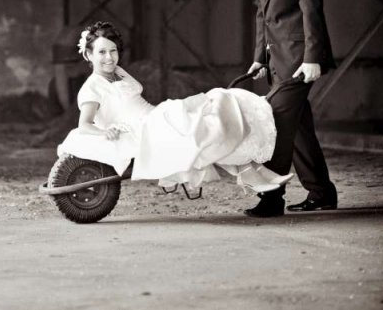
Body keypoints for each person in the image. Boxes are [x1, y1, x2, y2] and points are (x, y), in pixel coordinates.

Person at [57, 21, 294, 195]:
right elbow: (84, 125)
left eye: (113, 50)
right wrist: (104, 131)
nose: (109, 58)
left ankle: (252, 169)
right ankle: (248, 173)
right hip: (145, 131)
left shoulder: (117, 72)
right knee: (206, 125)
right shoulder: (92, 87)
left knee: (219, 103)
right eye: (101, 52)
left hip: (157, 115)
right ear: (88, 54)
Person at [242, 0, 337, 217]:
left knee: (277, 122)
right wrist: (260, 57)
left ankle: (271, 199)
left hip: (299, 60)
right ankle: (321, 193)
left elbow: (311, 10)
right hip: (276, 61)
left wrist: (313, 58)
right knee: (298, 127)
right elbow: (263, 14)